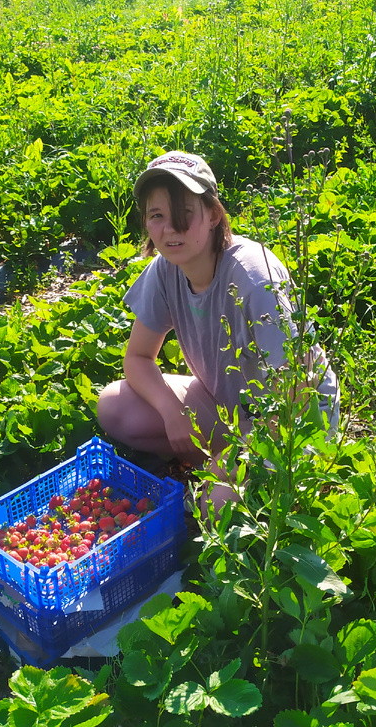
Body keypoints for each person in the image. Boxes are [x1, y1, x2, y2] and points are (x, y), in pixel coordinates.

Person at [96, 150, 340, 502]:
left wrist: (248, 449)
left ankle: (248, 473)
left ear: (212, 215)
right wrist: (173, 411)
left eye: (184, 214)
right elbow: (137, 358)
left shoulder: (254, 279)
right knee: (115, 407)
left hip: (292, 423)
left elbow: (297, 387)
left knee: (214, 505)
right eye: (157, 216)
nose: (170, 229)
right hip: (228, 405)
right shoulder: (164, 271)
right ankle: (226, 466)